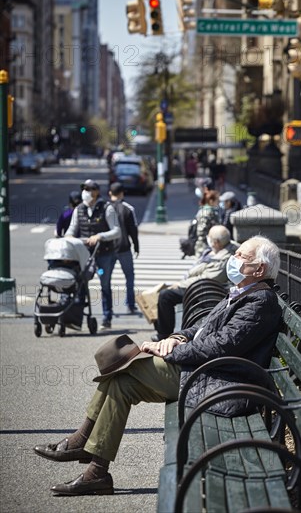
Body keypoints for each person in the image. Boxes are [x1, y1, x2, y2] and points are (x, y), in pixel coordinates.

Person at [33, 235, 282, 496]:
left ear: (260, 269)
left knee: (127, 364)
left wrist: (170, 352)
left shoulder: (260, 301)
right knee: (121, 384)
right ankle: (97, 472)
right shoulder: (244, 291)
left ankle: (81, 441)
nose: (234, 258)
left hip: (214, 379)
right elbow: (202, 328)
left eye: (241, 256)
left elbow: (222, 345)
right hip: (201, 370)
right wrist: (174, 338)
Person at [154, 225, 238, 341]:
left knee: (165, 296)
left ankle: (163, 334)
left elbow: (207, 278)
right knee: (165, 294)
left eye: (210, 236)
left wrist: (180, 284)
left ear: (217, 242)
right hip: (199, 286)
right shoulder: (216, 250)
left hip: (205, 290)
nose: (207, 238)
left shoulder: (224, 258)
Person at [66, 179, 121, 329]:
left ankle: (106, 317)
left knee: (104, 284)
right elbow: (71, 230)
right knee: (81, 283)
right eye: (84, 189)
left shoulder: (107, 208)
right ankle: (77, 318)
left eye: (90, 189)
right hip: (84, 254)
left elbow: (116, 231)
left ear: (96, 192)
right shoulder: (79, 209)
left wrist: (100, 236)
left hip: (104, 254)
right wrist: (69, 238)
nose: (86, 192)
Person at [108, 182, 139, 314]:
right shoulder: (128, 208)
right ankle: (130, 304)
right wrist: (136, 246)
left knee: (106, 279)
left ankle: (108, 308)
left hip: (108, 248)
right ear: (122, 193)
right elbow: (133, 230)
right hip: (124, 247)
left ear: (110, 193)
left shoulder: (105, 207)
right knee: (129, 276)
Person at [194, 189, 220, 257]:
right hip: (205, 245)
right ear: (211, 201)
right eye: (217, 200)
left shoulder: (205, 210)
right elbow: (202, 231)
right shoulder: (208, 212)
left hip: (205, 244)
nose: (218, 202)